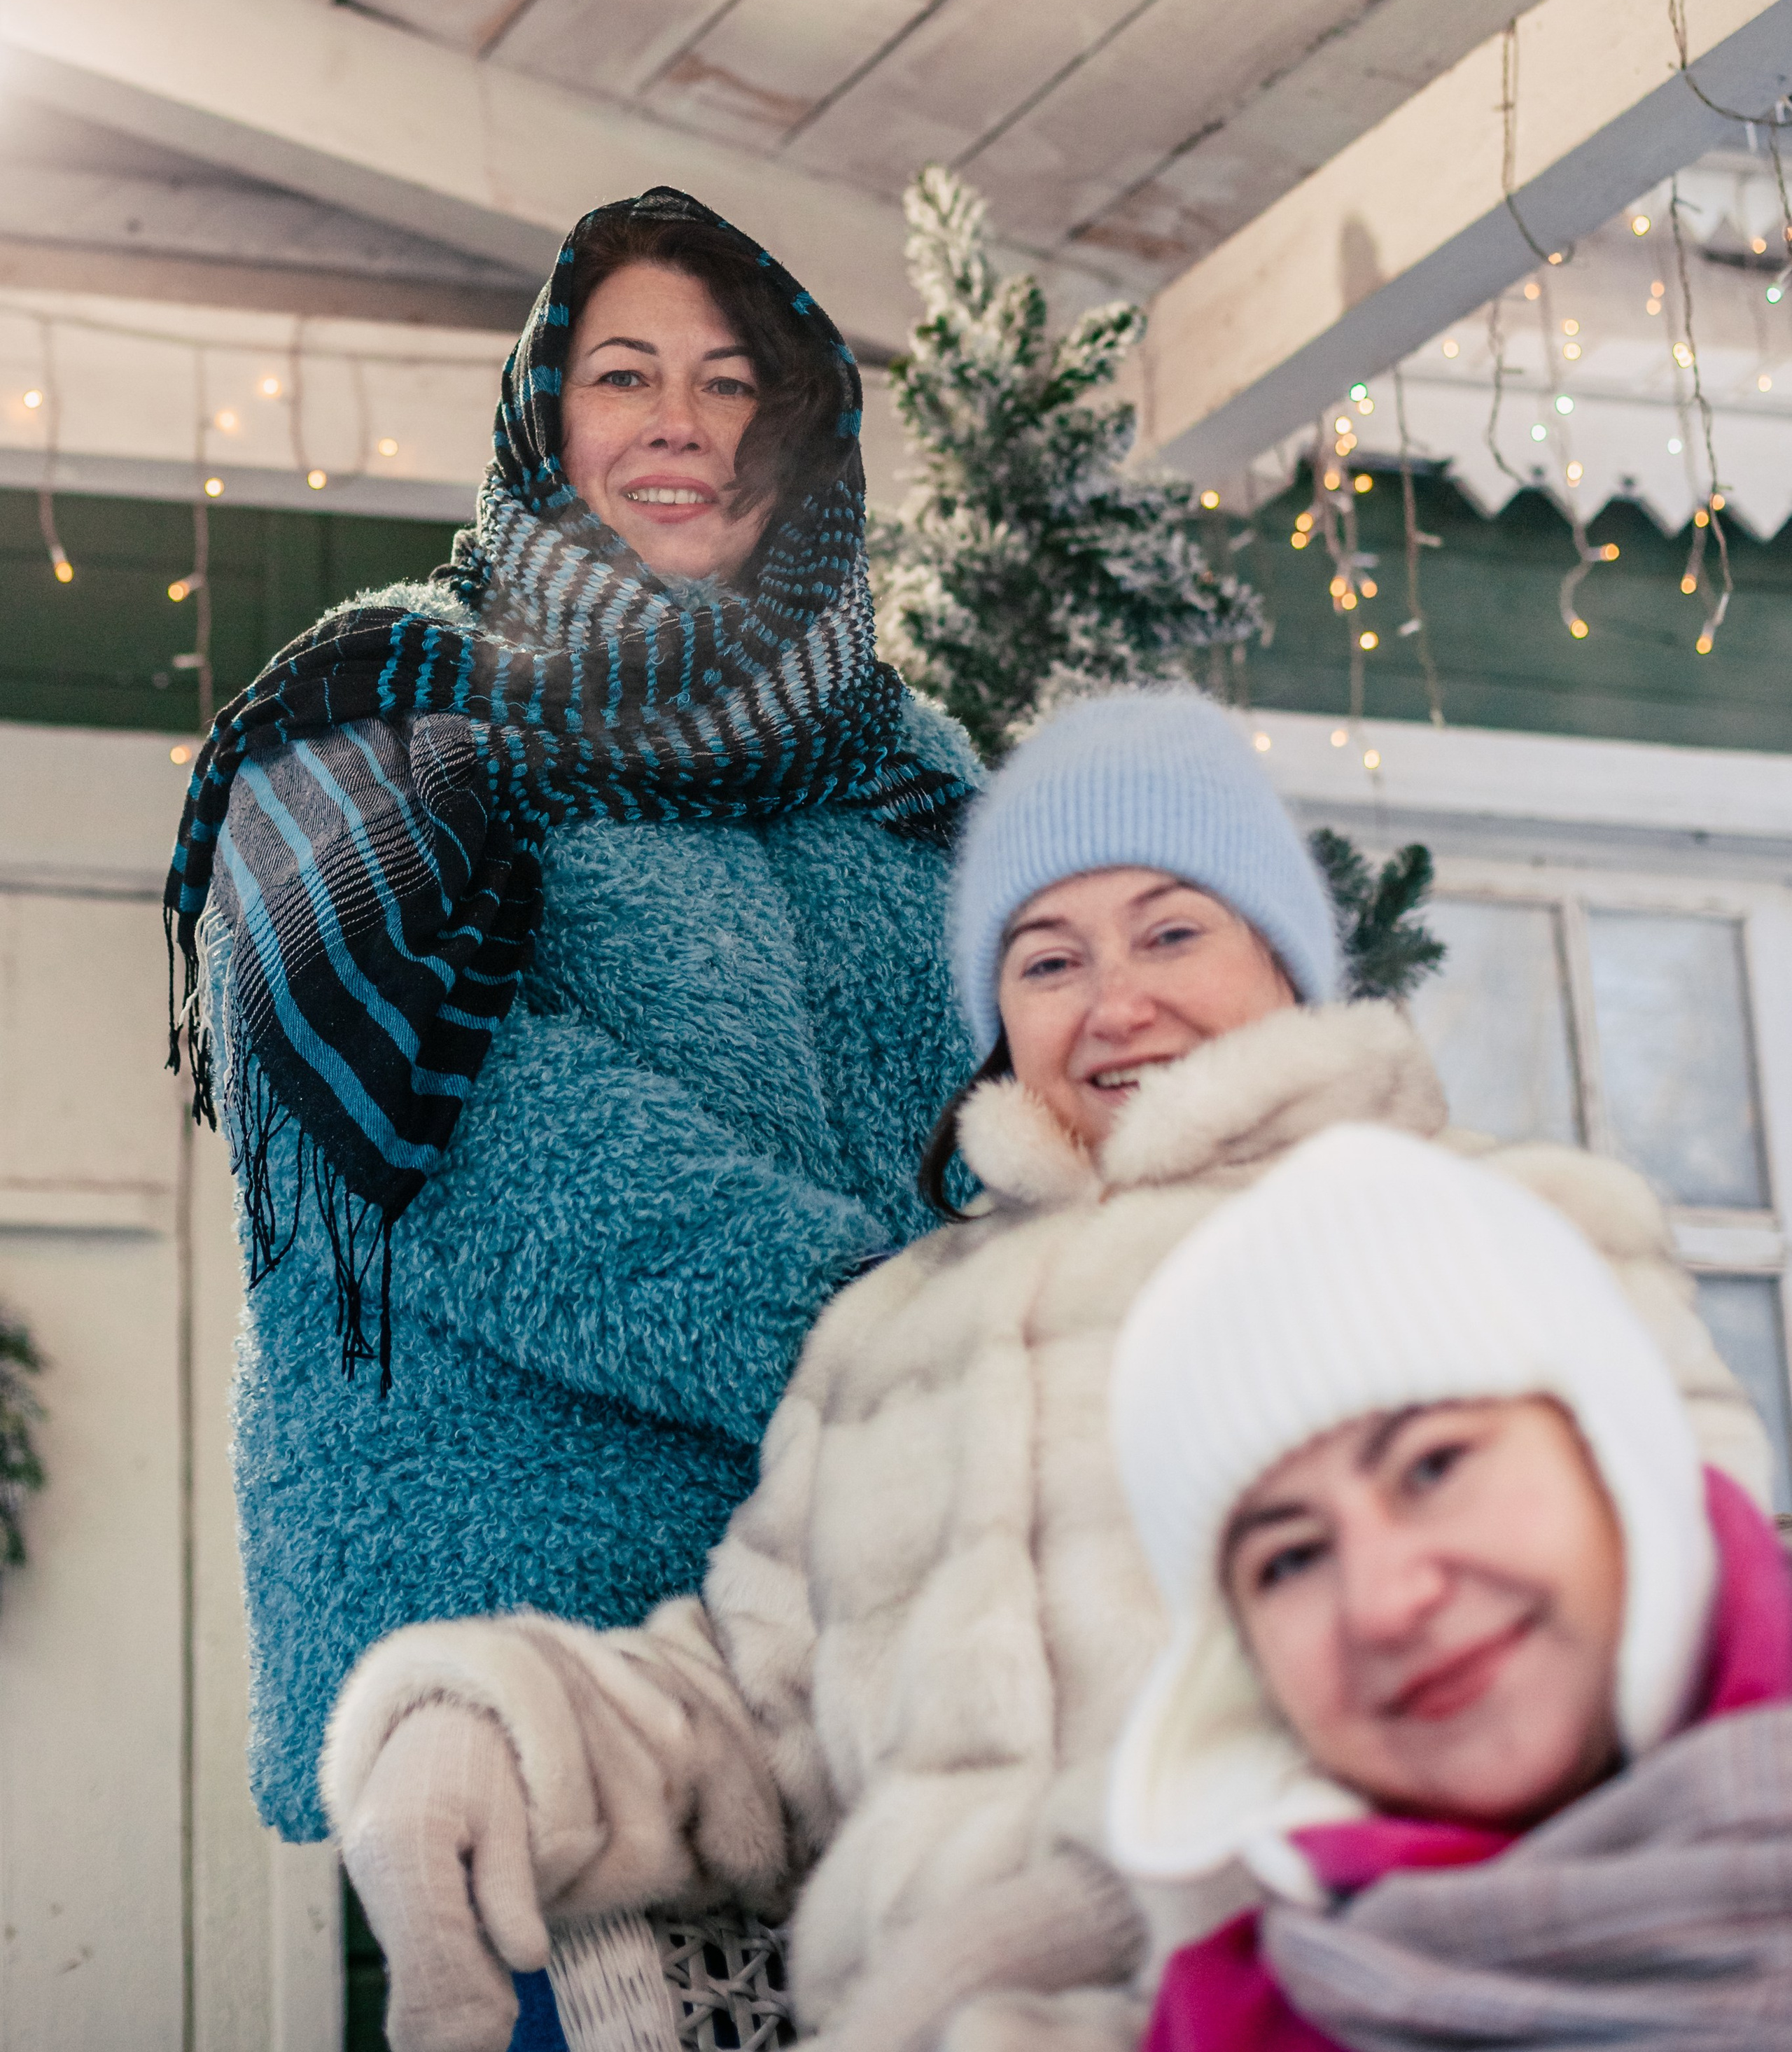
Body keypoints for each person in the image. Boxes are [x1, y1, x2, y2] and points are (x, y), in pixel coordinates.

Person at [321, 686, 1769, 2052]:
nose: (1114, 1003)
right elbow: (754, 1713)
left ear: (1281, 952)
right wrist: (495, 1726)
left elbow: (1678, 1652)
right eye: (1050, 959)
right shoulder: (887, 1333)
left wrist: (1142, 1899)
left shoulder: (1495, 1227)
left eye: (1170, 932)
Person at [162, 186, 979, 1904]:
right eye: (621, 376)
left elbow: (1022, 1100)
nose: (679, 422)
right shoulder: (373, 715)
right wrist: (899, 1355)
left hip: (896, 1681)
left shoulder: (913, 769)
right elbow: (456, 1148)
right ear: (545, 421)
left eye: (729, 379)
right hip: (534, 1693)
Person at [1107, 1126, 1792, 2051]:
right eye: (1290, 1559)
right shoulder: (1232, 2023)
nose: (1387, 1601)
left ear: (1610, 1442)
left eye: (1433, 1466)